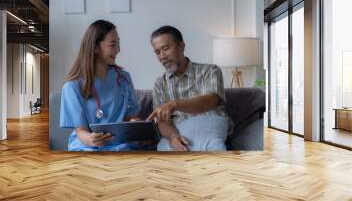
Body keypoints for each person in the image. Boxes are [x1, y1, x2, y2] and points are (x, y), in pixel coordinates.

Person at [60, 20, 143, 151]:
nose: (118, 50)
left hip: (121, 146)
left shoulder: (124, 78)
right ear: (95, 47)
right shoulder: (71, 87)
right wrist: (91, 139)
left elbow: (129, 117)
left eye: (118, 44)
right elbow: (81, 132)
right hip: (88, 147)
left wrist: (135, 123)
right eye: (113, 45)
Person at [147, 25, 230, 151]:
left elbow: (212, 100)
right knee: (163, 148)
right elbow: (162, 122)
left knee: (215, 149)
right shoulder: (160, 84)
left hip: (210, 124)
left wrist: (175, 105)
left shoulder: (209, 71)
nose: (162, 56)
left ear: (181, 46)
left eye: (166, 48)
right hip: (179, 133)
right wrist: (173, 136)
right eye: (157, 52)